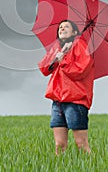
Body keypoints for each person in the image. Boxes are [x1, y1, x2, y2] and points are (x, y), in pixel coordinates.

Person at [38, 19, 95, 155]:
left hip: (75, 100)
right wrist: (56, 57)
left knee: (81, 144)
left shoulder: (80, 45)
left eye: (66, 27)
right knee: (59, 145)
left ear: (74, 32)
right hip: (57, 101)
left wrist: (63, 60)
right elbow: (44, 69)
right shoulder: (57, 47)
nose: (62, 29)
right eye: (60, 27)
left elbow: (80, 71)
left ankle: (92, 167)